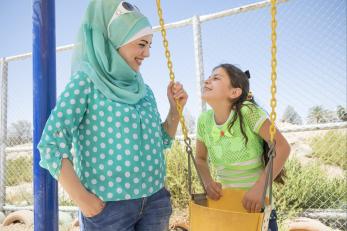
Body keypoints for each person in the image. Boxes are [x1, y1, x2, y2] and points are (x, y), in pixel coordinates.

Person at [37, 1, 188, 230]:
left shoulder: (143, 89)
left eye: (149, 45)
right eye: (141, 44)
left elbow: (161, 141)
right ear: (116, 39)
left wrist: (175, 110)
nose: (147, 53)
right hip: (108, 209)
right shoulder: (86, 82)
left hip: (155, 201)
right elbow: (51, 145)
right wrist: (85, 201)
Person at [195, 63, 290, 230]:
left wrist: (260, 189)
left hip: (257, 210)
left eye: (216, 77)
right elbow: (200, 159)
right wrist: (208, 182)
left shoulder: (247, 112)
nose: (207, 81)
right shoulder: (204, 121)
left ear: (234, 92)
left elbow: (282, 147)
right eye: (209, 77)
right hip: (227, 209)